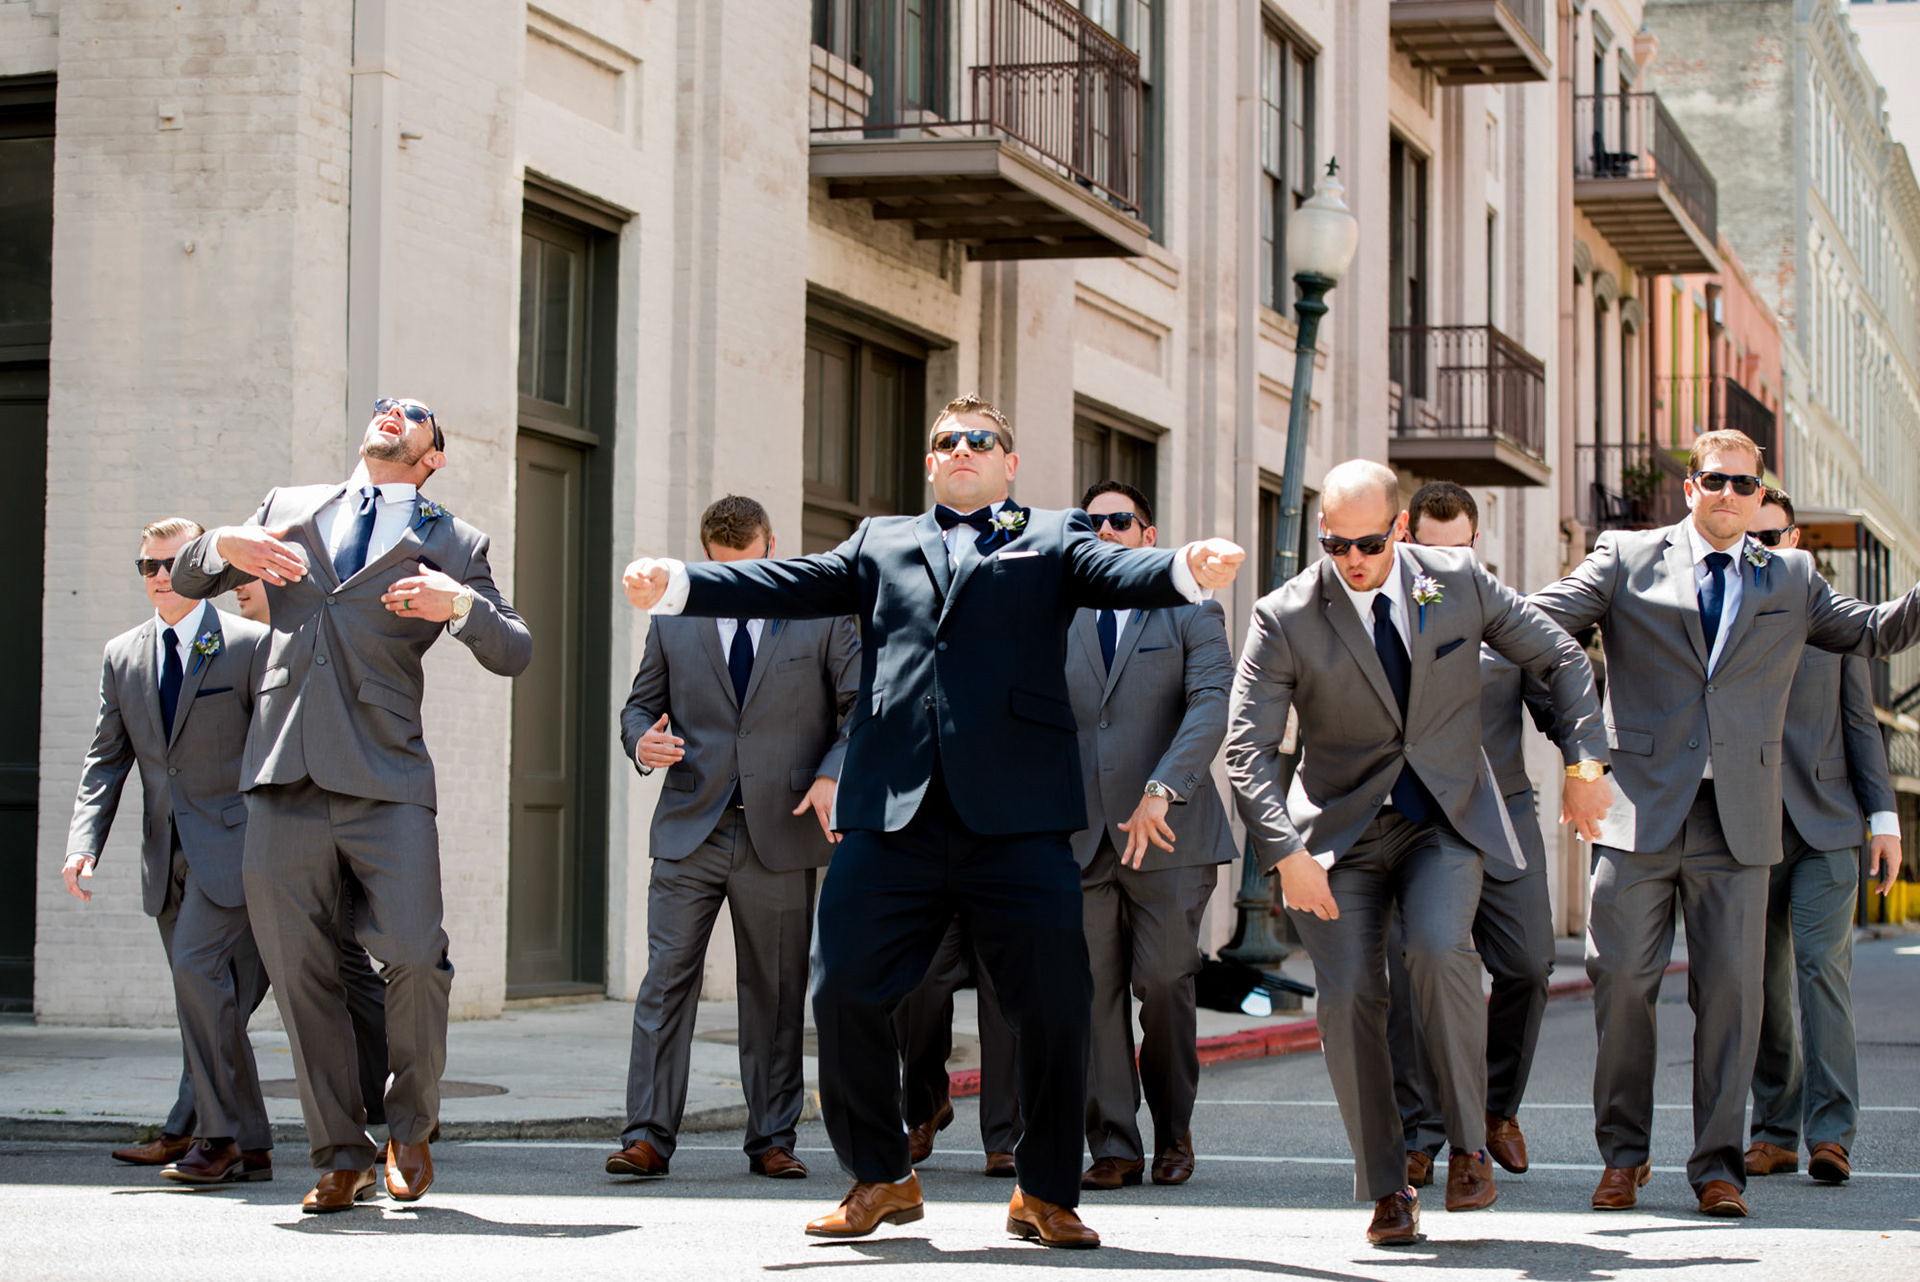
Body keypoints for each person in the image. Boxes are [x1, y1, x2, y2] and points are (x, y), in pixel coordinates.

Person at [623, 393, 1245, 1249]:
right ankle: (881, 1176)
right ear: (929, 462)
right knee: (841, 990)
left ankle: (1046, 1191)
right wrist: (681, 584)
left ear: (1008, 462)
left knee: (1058, 1005)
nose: (962, 449)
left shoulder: (1053, 535)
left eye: (979, 440)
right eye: (947, 440)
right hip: (894, 812)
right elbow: (790, 580)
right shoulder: (880, 539)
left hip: (1019, 817)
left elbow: (1120, 571)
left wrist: (1188, 568)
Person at [1529, 429, 1920, 1218]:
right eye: (1715, 482)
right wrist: (1580, 752)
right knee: (1623, 984)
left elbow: (1875, 631)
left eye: (1745, 485)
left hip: (1738, 821)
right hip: (1636, 813)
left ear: (1758, 490)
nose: (1730, 497)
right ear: (1690, 487)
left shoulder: (1793, 576)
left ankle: (1718, 1167)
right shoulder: (1624, 558)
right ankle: (1623, 1157)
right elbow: (1535, 631)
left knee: (1733, 1000)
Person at [1225, 460, 1610, 1247]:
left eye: (1368, 542)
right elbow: (1246, 749)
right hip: (1337, 833)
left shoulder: (1457, 582)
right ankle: (1389, 1184)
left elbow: (1561, 658)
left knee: (1439, 950)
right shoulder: (1285, 615)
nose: (1353, 559)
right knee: (1351, 998)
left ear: (1399, 529)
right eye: (1335, 544)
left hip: (1445, 819)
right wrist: (1283, 850)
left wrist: (1585, 766)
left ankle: (1469, 1145)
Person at [171, 397, 532, 1213]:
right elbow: (192, 576)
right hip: (281, 775)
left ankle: (410, 1126)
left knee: (412, 952)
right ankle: (340, 1152)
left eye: (411, 415)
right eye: (383, 408)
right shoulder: (287, 510)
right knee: (302, 979)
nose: (391, 415)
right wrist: (219, 544)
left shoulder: (453, 540)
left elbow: (515, 649)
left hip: (387, 778)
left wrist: (462, 608)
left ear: (432, 455)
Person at [605, 495, 859, 1183]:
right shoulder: (674, 614)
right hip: (692, 827)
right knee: (664, 984)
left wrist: (835, 775)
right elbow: (638, 705)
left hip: (781, 830)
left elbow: (857, 708)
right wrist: (642, 743)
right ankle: (648, 1136)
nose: (733, 581)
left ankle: (772, 1137)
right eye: (721, 569)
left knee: (776, 992)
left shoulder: (822, 609)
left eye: (745, 568)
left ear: (770, 548)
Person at [63, 517, 274, 1183]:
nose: (158, 576)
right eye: (146, 566)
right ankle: (253, 1142)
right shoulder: (122, 654)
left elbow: (275, 752)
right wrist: (82, 845)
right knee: (209, 1002)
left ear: (204, 570)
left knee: (197, 978)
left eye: (170, 563)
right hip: (167, 860)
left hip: (238, 854)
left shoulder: (249, 645)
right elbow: (106, 761)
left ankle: (215, 1138)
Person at [1389, 482, 1563, 1187]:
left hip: (1504, 819)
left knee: (1529, 965)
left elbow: (1556, 692)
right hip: (1416, 824)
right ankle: (1422, 1132)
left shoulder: (1503, 611)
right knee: (1415, 974)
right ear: (1405, 533)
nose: (1444, 564)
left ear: (1475, 545)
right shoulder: (1381, 613)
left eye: (1458, 551)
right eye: (1432, 549)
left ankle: (1495, 1108)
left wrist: (1590, 760)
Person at [1067, 481, 1236, 1191]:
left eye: (1120, 521)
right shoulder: (1056, 613)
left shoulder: (1192, 603)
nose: (1106, 532)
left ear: (1147, 532)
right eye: (1093, 523)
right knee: (1091, 992)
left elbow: (1210, 703)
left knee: (1164, 981)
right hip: (1078, 836)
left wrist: (1161, 789)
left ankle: (1173, 1130)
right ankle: (1113, 1143)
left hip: (1167, 832)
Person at [1743, 486, 1901, 1186]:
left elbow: (1860, 723)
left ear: (1796, 541)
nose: (1763, 551)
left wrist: (1884, 819)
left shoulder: (1827, 614)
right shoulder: (1719, 611)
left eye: (1773, 539)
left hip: (1828, 825)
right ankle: (1774, 1129)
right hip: (1746, 829)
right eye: (1751, 541)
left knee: (1819, 972)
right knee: (1761, 984)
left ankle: (1830, 1133)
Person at [232, 577, 394, 1140]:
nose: (241, 588)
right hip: (274, 824)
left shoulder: (318, 630)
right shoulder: (244, 643)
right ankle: (215, 1124)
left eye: (254, 579)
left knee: (346, 964)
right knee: (268, 979)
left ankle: (382, 1102)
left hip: (345, 809)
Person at [892, 920, 1022, 1177]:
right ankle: (928, 1106)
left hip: (999, 883)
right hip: (934, 884)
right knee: (918, 980)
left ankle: (1004, 1138)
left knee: (1001, 993)